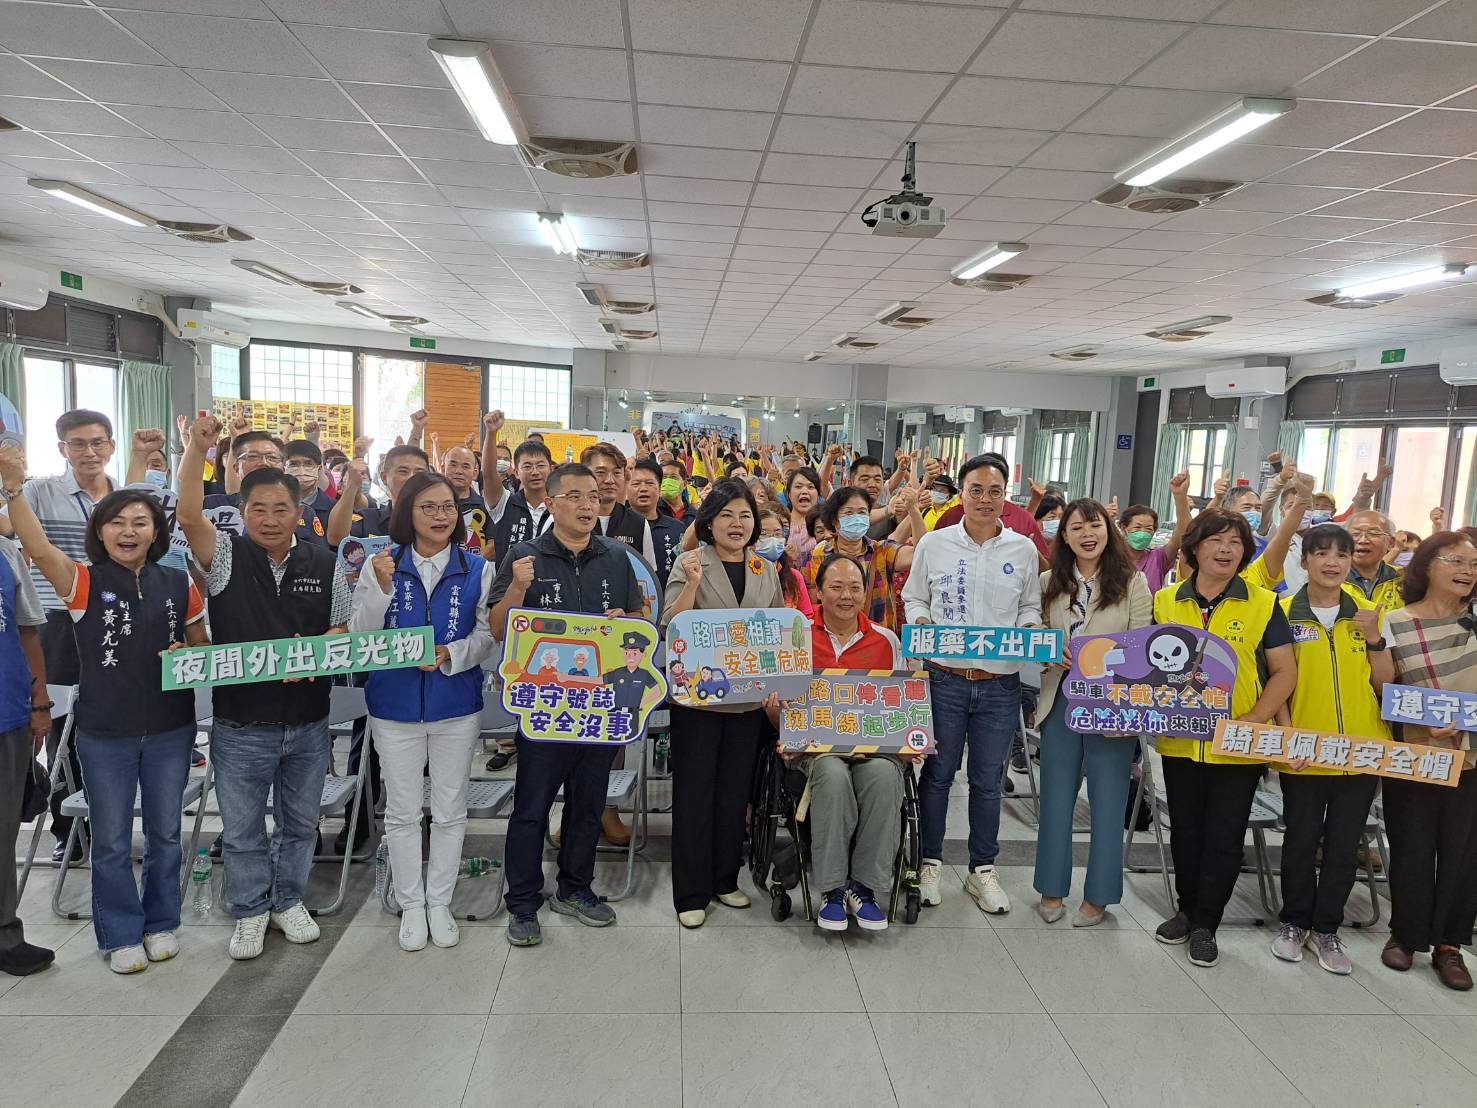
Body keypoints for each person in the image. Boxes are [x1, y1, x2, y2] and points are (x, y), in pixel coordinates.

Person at [1, 449, 209, 973]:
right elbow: (38, 546)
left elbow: (201, 644)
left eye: (140, 522)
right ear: (100, 531)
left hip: (171, 729)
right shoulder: (82, 581)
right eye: (116, 522)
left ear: (156, 531)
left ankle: (161, 923)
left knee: (165, 835)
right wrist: (12, 490)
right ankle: (118, 935)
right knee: (112, 840)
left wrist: (191, 653)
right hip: (103, 733)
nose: (129, 530)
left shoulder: (178, 580)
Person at [176, 416, 350, 961]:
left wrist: (315, 649)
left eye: (282, 509)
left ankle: (287, 900)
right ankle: (250, 910)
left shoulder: (325, 561)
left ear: (301, 512)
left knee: (300, 824)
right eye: (259, 509)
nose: (270, 519)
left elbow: (342, 628)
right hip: (240, 724)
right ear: (242, 512)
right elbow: (186, 513)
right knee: (244, 828)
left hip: (307, 721)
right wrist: (197, 452)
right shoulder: (226, 555)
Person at [489, 462, 647, 948]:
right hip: (546, 709)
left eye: (594, 497)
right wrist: (517, 587)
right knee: (532, 808)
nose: (586, 504)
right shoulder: (526, 556)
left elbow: (639, 624)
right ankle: (522, 901)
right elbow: (498, 630)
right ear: (552, 502)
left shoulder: (617, 558)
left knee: (587, 804)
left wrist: (626, 621)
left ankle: (576, 888)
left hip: (598, 711)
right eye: (574, 496)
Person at [350, 472, 494, 953]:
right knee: (403, 810)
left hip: (456, 705)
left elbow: (486, 637)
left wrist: (451, 655)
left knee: (451, 809)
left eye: (448, 507)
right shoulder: (382, 565)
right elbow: (361, 637)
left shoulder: (477, 568)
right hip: (393, 705)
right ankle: (411, 904)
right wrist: (382, 588)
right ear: (407, 513)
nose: (441, 516)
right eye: (428, 507)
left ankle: (440, 901)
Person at [1151, 509, 1297, 969]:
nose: (1226, 549)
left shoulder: (1262, 602)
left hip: (1238, 744)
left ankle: (1207, 925)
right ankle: (1187, 909)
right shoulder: (1167, 599)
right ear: (1194, 547)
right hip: (1180, 739)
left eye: (1235, 542)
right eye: (1216, 540)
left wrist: (1256, 718)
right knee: (1187, 830)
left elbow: (1284, 671)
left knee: (1224, 836)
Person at [902, 455, 1041, 915]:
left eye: (994, 490)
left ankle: (983, 869)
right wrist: (922, 620)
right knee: (938, 776)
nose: (985, 499)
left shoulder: (1022, 549)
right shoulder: (936, 544)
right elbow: (914, 596)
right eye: (976, 489)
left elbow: (1030, 608)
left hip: (1001, 686)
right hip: (945, 680)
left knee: (986, 782)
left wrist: (1027, 629)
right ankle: (930, 861)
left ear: (1007, 496)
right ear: (961, 493)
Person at [662, 478, 783, 928]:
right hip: (698, 701)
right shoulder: (691, 561)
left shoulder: (764, 569)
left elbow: (778, 632)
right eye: (727, 515)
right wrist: (692, 584)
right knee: (695, 793)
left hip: (748, 703)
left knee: (735, 795)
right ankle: (690, 892)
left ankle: (724, 879)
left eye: (745, 515)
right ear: (709, 521)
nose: (737, 523)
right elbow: (671, 626)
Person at [1271, 524, 1390, 976]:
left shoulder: (1367, 613)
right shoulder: (1283, 612)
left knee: (1344, 844)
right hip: (1306, 746)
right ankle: (1294, 923)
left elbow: (1386, 684)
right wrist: (1287, 738)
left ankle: (1327, 929)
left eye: (1342, 554)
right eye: (1322, 553)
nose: (1333, 561)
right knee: (1301, 839)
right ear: (1305, 561)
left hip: (1362, 749)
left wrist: (1376, 639)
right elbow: (1277, 683)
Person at [769, 554, 912, 932]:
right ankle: (832, 889)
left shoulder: (886, 641)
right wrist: (775, 707)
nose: (845, 596)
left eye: (854, 587)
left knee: (884, 775)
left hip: (872, 748)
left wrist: (913, 739)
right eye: (836, 587)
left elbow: (904, 702)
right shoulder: (794, 635)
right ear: (818, 591)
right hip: (814, 749)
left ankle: (863, 887)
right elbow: (775, 712)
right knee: (832, 773)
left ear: (866, 593)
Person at [3, 410, 117, 864]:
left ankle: (111, 817)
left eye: (97, 442)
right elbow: (8, 526)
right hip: (57, 620)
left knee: (111, 720)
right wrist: (10, 484)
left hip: (114, 618)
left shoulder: (125, 497)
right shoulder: (37, 491)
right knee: (62, 727)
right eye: (77, 444)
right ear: (62, 450)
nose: (88, 452)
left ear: (110, 446)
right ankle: (68, 828)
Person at [1034, 498, 1153, 927]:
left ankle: (1100, 895)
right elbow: (1031, 628)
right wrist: (1050, 647)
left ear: (1109, 531)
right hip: (1060, 698)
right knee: (1056, 799)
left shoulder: (1132, 582)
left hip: (1112, 707)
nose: (1088, 534)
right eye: (1078, 527)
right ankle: (1051, 887)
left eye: (1096, 526)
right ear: (1063, 535)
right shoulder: (1048, 580)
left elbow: (1142, 646)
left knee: (1107, 801)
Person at [1379, 532, 1477, 990]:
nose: (1467, 570)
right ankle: (1405, 935)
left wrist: (1465, 722)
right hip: (1414, 756)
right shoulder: (1395, 622)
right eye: (1456, 560)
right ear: (1426, 565)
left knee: (1464, 853)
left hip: (1473, 757)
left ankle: (1450, 945)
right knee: (1411, 845)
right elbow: (1384, 687)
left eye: (1475, 565)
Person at [0, 529, 53, 978]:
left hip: (6, 711)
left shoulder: (5, 552)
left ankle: (5, 935)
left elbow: (28, 633)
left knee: (1, 832)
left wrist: (39, 704)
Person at [804, 486, 921, 633]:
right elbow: (815, 600)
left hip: (877, 639)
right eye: (849, 512)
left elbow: (921, 554)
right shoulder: (820, 553)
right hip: (832, 637)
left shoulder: (882, 551)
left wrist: (914, 511)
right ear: (835, 520)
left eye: (862, 512)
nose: (857, 518)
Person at [1119, 472, 1192, 593]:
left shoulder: (1158, 558)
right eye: (1137, 527)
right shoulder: (1112, 558)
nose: (1142, 533)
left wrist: (1180, 497)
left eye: (1148, 529)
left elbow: (1184, 531)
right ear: (1124, 528)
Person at [626, 458, 686, 589]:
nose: (643, 489)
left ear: (659, 488)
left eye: (649, 483)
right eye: (636, 484)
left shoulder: (677, 528)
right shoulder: (617, 526)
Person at [757, 506, 813, 618]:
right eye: (764, 534)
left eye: (777, 534)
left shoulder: (794, 577)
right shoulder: (745, 574)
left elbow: (807, 616)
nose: (772, 539)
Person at [1344, 510, 1405, 611]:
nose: (1362, 540)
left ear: (1391, 543)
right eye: (1355, 534)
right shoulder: (1329, 578)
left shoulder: (1404, 579)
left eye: (1373, 534)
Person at [283, 440, 335, 546]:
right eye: (293, 464)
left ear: (319, 468)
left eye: (308, 464)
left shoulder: (334, 508)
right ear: (283, 467)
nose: (301, 471)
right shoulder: (272, 506)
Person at [784, 466, 822, 562]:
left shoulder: (826, 525)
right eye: (798, 487)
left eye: (810, 487)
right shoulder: (779, 523)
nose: (804, 491)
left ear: (818, 494)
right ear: (789, 493)